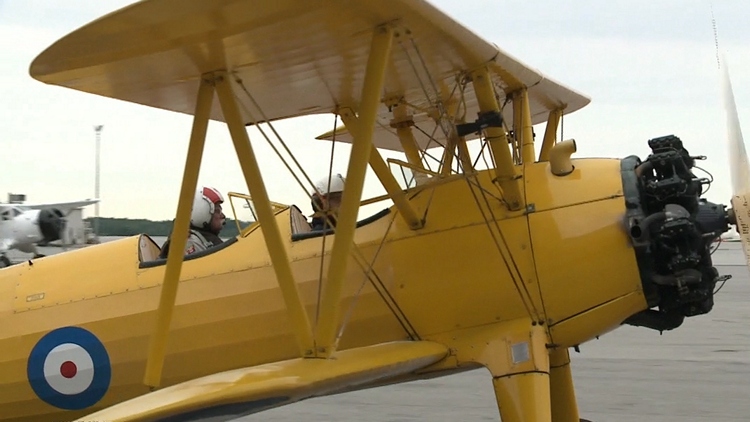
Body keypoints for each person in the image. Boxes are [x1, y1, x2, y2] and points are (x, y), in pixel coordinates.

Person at [160, 186, 226, 258]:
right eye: (217, 211)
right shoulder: (190, 241)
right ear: (203, 213)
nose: (223, 216)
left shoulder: (205, 240)